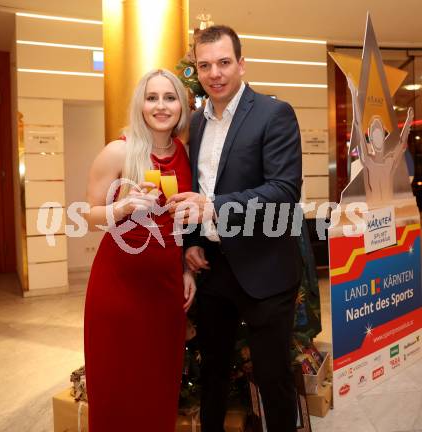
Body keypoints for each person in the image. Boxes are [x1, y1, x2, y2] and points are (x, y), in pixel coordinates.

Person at [168, 25, 303, 432]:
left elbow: (283, 191)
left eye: (224, 62)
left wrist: (213, 208)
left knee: (272, 376)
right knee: (213, 375)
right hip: (214, 269)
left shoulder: (273, 113)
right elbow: (194, 187)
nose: (215, 74)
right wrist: (191, 243)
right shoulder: (195, 122)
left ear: (241, 64)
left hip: (265, 267)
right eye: (205, 65)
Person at [83, 69, 196, 432]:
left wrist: (186, 270)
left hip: (165, 292)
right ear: (140, 105)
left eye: (169, 97)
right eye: (152, 98)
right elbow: (87, 215)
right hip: (118, 290)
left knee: (159, 387)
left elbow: (180, 222)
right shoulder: (119, 151)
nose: (161, 106)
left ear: (181, 104)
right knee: (117, 387)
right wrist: (122, 207)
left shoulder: (183, 153)